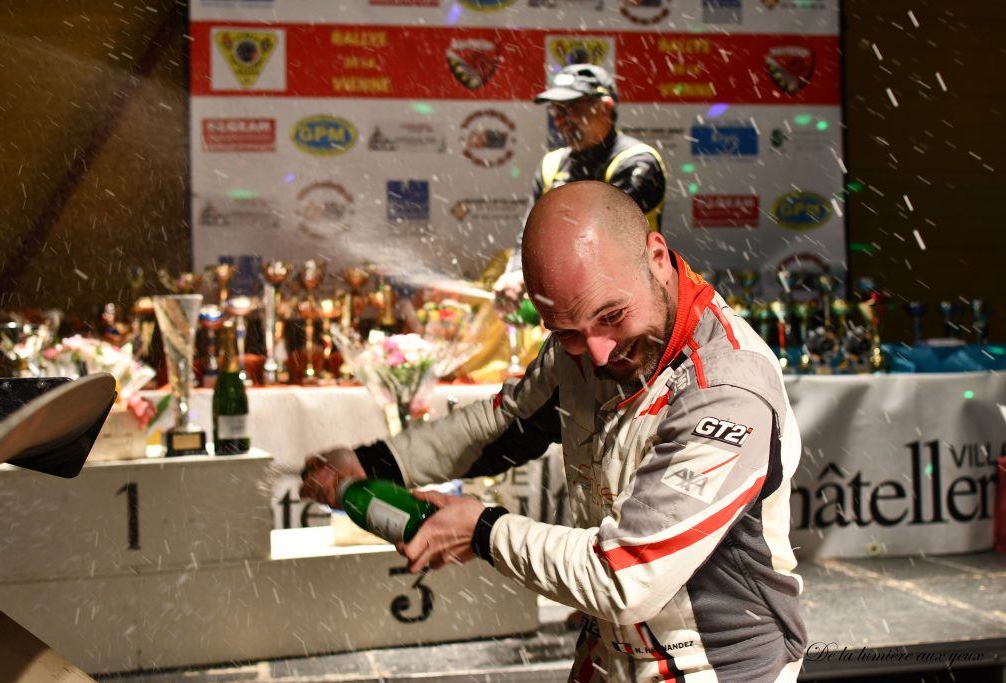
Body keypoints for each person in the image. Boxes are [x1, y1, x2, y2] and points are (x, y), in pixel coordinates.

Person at [302, 181, 806, 682]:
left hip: (718, 667)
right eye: (565, 332)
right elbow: (504, 425)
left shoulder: (726, 387)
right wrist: (372, 462)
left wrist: (482, 530)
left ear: (656, 256)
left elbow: (625, 576)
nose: (600, 353)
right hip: (608, 650)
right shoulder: (587, 340)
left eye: (612, 316)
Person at [492, 63, 667, 311]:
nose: (561, 120)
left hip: (634, 309)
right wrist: (516, 272)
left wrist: (528, 278)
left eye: (571, 109)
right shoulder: (551, 164)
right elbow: (531, 236)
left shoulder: (638, 161)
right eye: (556, 111)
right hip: (573, 311)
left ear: (605, 106)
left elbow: (599, 240)